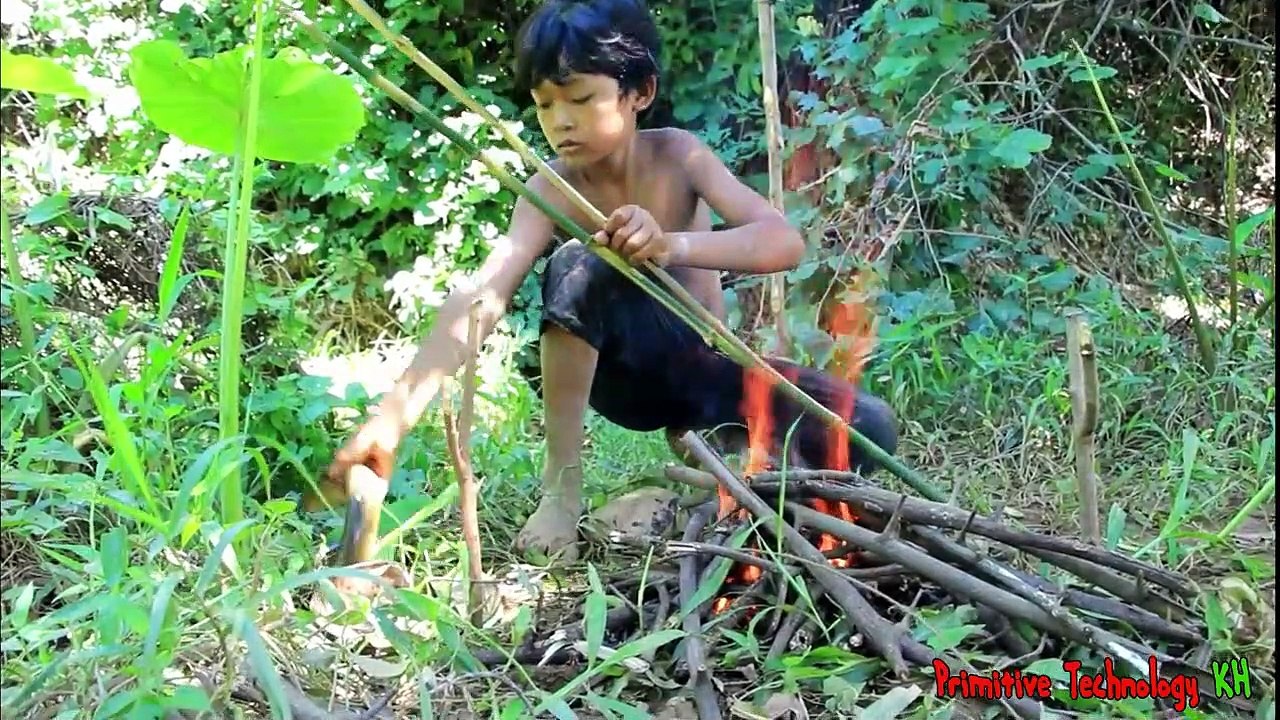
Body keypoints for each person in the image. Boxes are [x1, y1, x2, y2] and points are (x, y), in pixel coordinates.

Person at [324, 0, 899, 563]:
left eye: (580, 99)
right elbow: (485, 292)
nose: (561, 121)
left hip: (704, 368)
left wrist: (674, 245)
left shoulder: (679, 156)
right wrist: (392, 418)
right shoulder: (551, 185)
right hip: (623, 376)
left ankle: (712, 466)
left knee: (868, 427)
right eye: (545, 106)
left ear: (639, 93)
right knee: (582, 263)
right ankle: (562, 488)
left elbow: (782, 241)